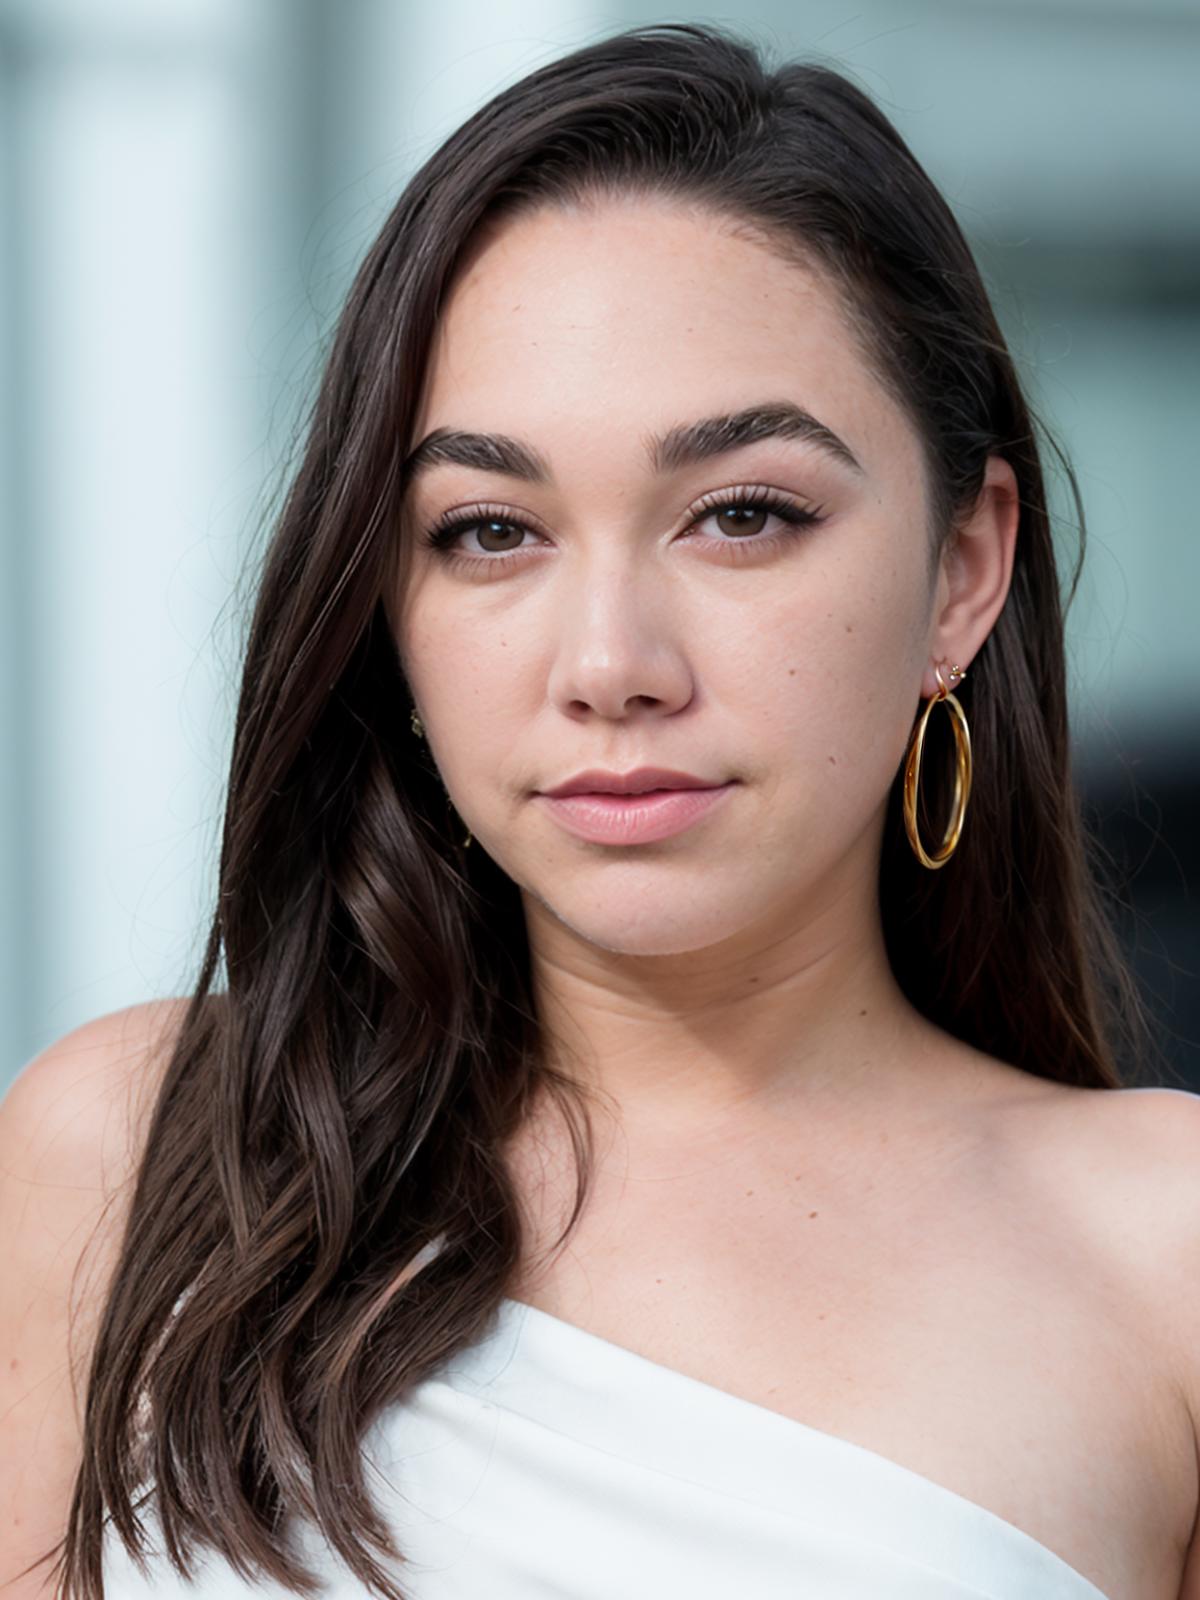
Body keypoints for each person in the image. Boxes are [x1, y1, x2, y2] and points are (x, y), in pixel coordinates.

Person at [1, 20, 1195, 1600]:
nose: (611, 664)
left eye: (743, 515)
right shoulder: (140, 1156)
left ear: (962, 571)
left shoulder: (1162, 1251)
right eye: (491, 531)